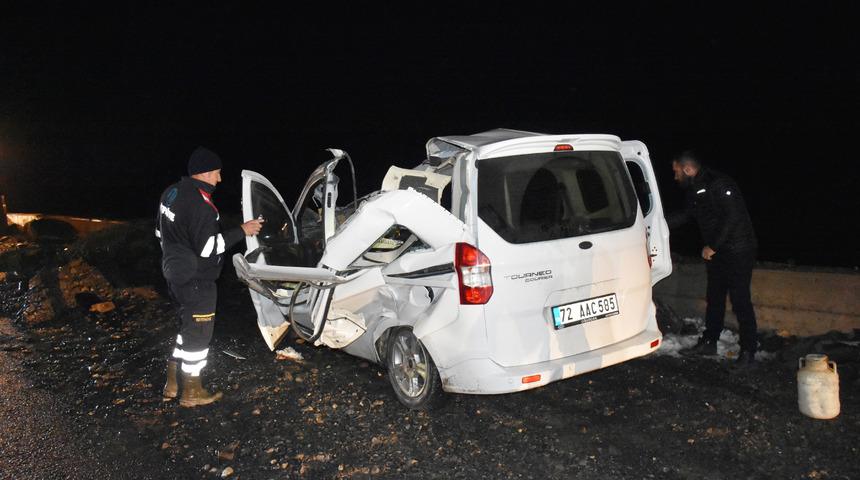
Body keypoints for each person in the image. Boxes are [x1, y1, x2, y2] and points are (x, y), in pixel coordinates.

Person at [155, 146, 263, 407]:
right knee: (200, 336)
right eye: (217, 173)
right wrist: (241, 231)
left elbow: (160, 233)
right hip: (196, 280)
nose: (219, 179)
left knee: (187, 329)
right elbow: (208, 248)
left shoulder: (171, 193)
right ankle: (192, 391)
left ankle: (172, 383)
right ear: (204, 173)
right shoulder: (201, 206)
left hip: (174, 274)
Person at [667, 150, 759, 367]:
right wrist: (657, 224)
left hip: (738, 250)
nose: (675, 176)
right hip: (718, 252)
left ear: (688, 169)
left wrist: (713, 246)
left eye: (677, 172)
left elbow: (733, 216)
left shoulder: (719, 184)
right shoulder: (694, 190)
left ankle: (748, 351)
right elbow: (687, 215)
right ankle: (709, 342)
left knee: (740, 301)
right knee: (715, 298)